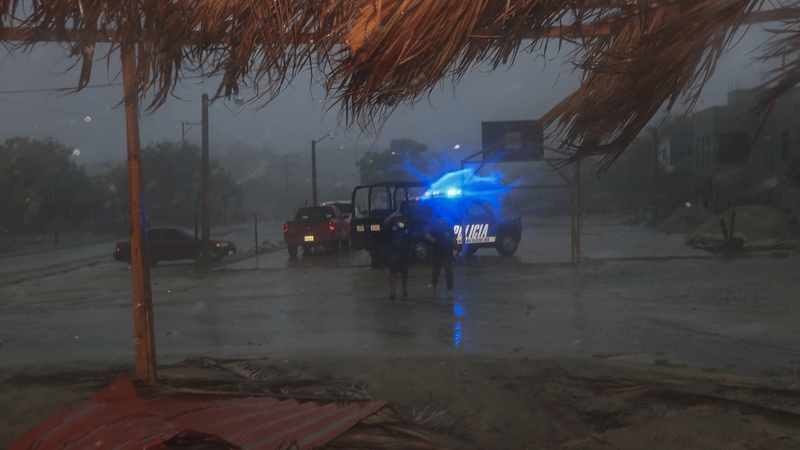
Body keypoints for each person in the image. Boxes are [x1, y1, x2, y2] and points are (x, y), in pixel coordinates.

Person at [382, 212, 412, 300]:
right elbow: (384, 223)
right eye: (396, 219)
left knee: (404, 274)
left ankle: (404, 289)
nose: (397, 220)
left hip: (404, 253)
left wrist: (410, 255)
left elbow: (410, 243)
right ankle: (393, 292)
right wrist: (392, 215)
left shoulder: (406, 228)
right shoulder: (390, 228)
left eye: (399, 219)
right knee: (393, 273)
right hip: (393, 253)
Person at [425, 217, 457, 299]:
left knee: (449, 273)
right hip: (437, 254)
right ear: (438, 220)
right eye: (441, 219)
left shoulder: (450, 229)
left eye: (444, 220)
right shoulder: (434, 229)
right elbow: (426, 236)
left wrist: (457, 250)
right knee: (436, 272)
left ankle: (449, 292)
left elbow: (454, 240)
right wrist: (430, 238)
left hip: (448, 254)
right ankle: (435, 288)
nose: (443, 221)